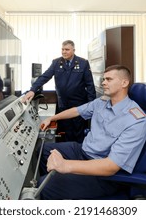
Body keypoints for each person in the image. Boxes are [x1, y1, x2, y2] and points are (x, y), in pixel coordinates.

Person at [37, 65, 146, 199]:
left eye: (109, 79)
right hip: (83, 151)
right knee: (42, 150)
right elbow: (76, 110)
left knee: (43, 186)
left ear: (124, 83)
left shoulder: (136, 121)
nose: (103, 83)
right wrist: (52, 118)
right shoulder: (102, 102)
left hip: (102, 174)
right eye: (104, 79)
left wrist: (66, 165)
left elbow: (110, 167)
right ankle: (59, 186)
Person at [23, 40, 96, 142]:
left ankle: (78, 153)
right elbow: (44, 77)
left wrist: (91, 105)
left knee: (79, 133)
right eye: (62, 49)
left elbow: (90, 85)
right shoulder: (56, 63)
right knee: (65, 132)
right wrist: (33, 90)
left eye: (67, 49)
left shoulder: (83, 63)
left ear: (73, 50)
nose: (64, 52)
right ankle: (66, 153)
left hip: (79, 104)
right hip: (63, 105)